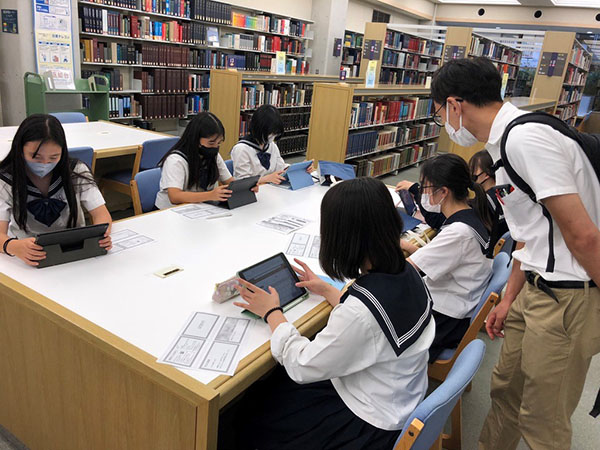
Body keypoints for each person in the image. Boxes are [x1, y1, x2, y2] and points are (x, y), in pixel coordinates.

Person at [431, 56, 600, 450]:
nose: (444, 121)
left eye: (440, 111)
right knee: (505, 391)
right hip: (536, 290)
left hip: (568, 297)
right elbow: (531, 233)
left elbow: (583, 236)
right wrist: (509, 298)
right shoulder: (504, 144)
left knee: (542, 421)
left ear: (455, 105)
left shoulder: (525, 139)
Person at [227, 177, 435, 450]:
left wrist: (273, 314)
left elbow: (302, 364)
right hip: (397, 395)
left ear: (343, 238)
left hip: (366, 423)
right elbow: (375, 327)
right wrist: (329, 291)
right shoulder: (408, 273)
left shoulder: (360, 313)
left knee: (245, 416)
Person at [400, 153, 492, 362]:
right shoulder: (471, 214)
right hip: (455, 306)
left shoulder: (458, 232)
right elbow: (438, 259)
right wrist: (406, 246)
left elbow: (406, 271)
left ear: (443, 192)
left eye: (425, 188)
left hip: (444, 321)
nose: (423, 195)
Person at [0, 114, 112, 266]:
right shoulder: (6, 179)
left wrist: (102, 235)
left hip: (76, 249)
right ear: (19, 149)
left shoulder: (75, 171)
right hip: (27, 252)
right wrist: (12, 246)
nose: (45, 163)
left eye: (53, 157)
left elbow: (101, 214)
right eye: (36, 157)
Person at [155, 112, 255, 209]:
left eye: (219, 143)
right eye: (211, 143)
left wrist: (246, 188)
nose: (215, 147)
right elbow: (175, 197)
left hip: (199, 208)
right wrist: (210, 195)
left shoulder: (213, 156)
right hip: (170, 212)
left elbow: (229, 182)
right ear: (195, 139)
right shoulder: (176, 160)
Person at [230, 105, 312, 185]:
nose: (272, 137)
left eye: (275, 133)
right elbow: (241, 181)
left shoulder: (271, 145)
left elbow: (281, 168)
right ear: (259, 128)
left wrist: (299, 169)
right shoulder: (241, 149)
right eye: (270, 133)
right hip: (251, 193)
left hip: (270, 190)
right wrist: (265, 179)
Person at [469, 149, 509, 254]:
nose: (471, 174)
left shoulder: (482, 202)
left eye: (473, 170)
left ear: (486, 174)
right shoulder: (505, 193)